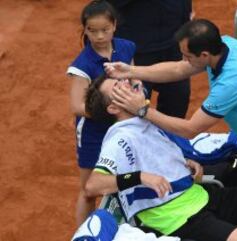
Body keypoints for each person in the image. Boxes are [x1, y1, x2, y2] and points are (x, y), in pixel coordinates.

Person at [104, 19, 237, 241]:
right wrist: (131, 70)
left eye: (187, 56)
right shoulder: (225, 45)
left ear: (204, 56)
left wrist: (142, 110)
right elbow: (178, 69)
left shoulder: (233, 81)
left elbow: (191, 129)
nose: (184, 60)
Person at [83, 74, 237, 241]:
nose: (125, 81)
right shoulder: (120, 138)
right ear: (113, 108)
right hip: (178, 218)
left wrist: (186, 164)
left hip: (201, 196)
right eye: (117, 87)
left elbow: (155, 158)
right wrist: (140, 177)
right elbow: (93, 185)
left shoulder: (143, 122)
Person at [66, 0, 136, 226]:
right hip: (93, 134)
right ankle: (82, 236)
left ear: (114, 25)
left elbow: (134, 77)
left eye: (104, 30)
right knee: (89, 190)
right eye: (92, 31)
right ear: (84, 29)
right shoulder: (82, 64)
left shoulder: (126, 48)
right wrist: (113, 111)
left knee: (124, 179)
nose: (98, 36)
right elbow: (77, 106)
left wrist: (136, 92)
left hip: (122, 126)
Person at [105, 0, 192, 118]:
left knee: (177, 104)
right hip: (136, 48)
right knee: (130, 111)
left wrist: (185, 19)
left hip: (173, 43)